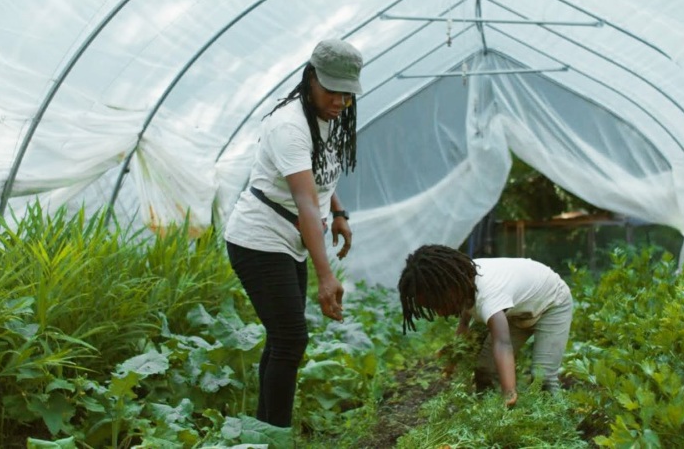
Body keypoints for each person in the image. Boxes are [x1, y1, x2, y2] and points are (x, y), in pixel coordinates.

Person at [224, 39, 363, 428]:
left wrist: (338, 212)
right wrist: (326, 276)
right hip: (260, 240)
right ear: (311, 77)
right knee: (290, 339)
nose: (339, 101)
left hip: (290, 240)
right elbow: (303, 202)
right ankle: (276, 435)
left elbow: (320, 173)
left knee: (283, 337)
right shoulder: (289, 125)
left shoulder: (328, 116)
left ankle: (265, 430)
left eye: (348, 94)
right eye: (332, 89)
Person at [397, 244, 574, 408]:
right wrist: (453, 358)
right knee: (485, 368)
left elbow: (502, 344)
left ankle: (560, 419)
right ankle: (488, 413)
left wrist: (509, 392)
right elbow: (464, 325)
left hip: (552, 304)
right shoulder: (462, 280)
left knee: (542, 376)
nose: (439, 313)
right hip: (517, 310)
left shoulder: (488, 297)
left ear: (448, 290)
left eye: (437, 305)